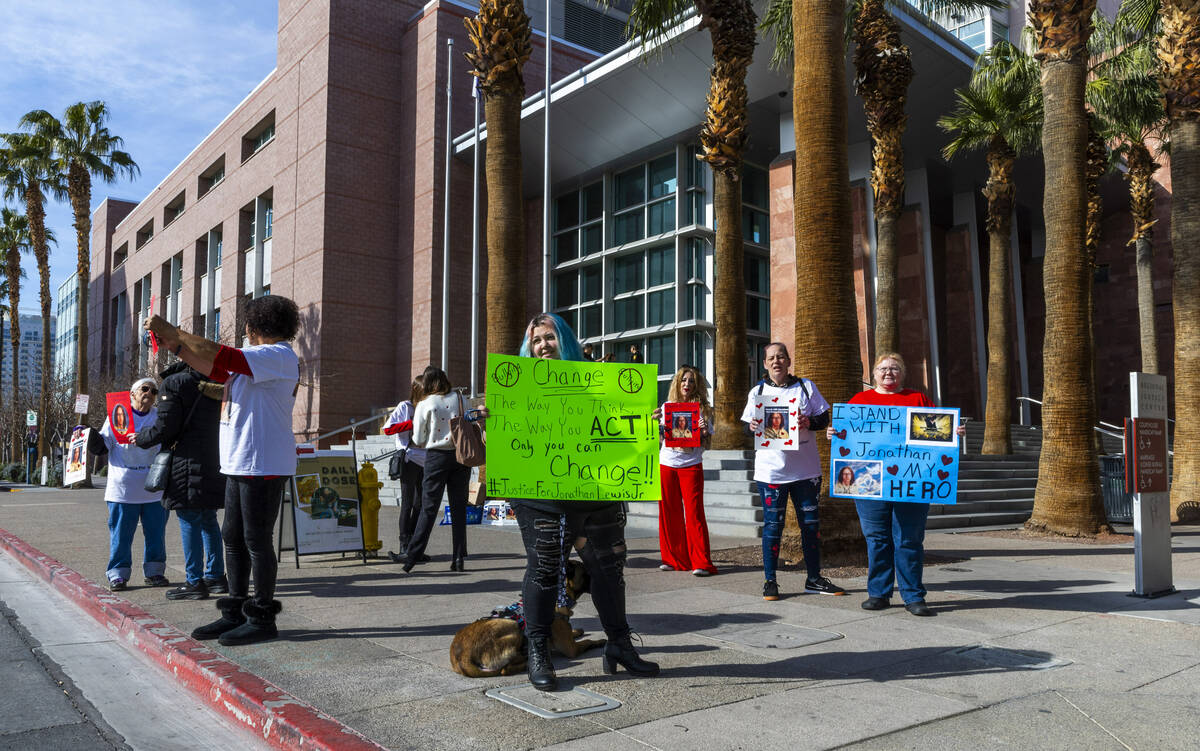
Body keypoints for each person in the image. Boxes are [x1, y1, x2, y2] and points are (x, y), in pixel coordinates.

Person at [510, 312, 659, 691]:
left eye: (550, 337)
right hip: (541, 495)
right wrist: (494, 417)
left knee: (609, 570)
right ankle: (539, 651)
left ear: (566, 340)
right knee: (544, 570)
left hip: (595, 493)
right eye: (536, 340)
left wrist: (644, 420)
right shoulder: (516, 388)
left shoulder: (598, 382)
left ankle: (620, 646)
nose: (544, 345)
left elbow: (619, 433)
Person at [146, 294, 301, 646]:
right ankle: (234, 612)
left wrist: (178, 332)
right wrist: (178, 347)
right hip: (241, 461)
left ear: (255, 326)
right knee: (233, 539)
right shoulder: (255, 363)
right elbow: (214, 367)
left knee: (256, 542)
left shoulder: (278, 355)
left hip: (262, 463)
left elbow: (223, 356)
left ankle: (262, 619)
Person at [827, 352, 965, 617]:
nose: (888, 373)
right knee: (877, 539)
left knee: (909, 540)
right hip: (868, 480)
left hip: (911, 480)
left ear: (902, 373)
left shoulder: (918, 399)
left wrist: (953, 433)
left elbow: (935, 437)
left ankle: (913, 596)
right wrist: (834, 433)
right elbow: (849, 439)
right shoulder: (860, 401)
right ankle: (878, 593)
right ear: (874, 374)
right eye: (883, 368)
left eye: (894, 368)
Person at [741, 342, 844, 601]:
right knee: (773, 527)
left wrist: (809, 421)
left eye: (781, 357)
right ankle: (770, 581)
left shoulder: (806, 387)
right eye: (771, 358)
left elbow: (824, 418)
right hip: (771, 473)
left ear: (788, 361)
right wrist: (753, 425)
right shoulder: (758, 392)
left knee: (810, 526)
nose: (776, 361)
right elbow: (746, 428)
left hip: (806, 472)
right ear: (765, 364)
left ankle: (814, 579)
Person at [134, 361, 228, 600]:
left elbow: (166, 427)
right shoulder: (219, 381)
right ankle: (216, 576)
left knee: (189, 519)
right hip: (214, 461)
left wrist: (141, 438)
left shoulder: (174, 383)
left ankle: (194, 581)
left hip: (185, 463)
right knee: (208, 519)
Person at [86, 378, 168, 591]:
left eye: (153, 390)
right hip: (123, 491)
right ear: (132, 394)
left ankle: (155, 572)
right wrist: (88, 435)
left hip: (154, 489)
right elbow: (103, 446)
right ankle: (118, 575)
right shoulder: (117, 415)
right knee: (121, 537)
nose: (149, 393)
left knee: (156, 535)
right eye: (144, 388)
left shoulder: (160, 417)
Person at [401, 366, 471, 572]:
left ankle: (412, 557)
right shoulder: (460, 399)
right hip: (460, 456)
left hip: (436, 457)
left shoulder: (426, 403)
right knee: (458, 509)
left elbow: (419, 438)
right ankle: (458, 558)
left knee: (428, 508)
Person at [658, 366, 717, 577]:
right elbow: (661, 438)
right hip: (666, 462)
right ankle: (673, 559)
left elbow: (706, 439)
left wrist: (702, 428)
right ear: (677, 383)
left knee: (694, 514)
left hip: (691, 463)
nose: (687, 384)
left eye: (691, 381)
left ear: (696, 385)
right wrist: (656, 425)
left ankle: (701, 562)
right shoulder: (666, 407)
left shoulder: (703, 410)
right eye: (683, 380)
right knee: (668, 513)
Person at [384, 376, 429, 564]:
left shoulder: (428, 408)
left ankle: (414, 546)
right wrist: (412, 424)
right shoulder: (405, 407)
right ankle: (404, 545)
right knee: (408, 503)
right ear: (417, 390)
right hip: (410, 458)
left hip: (426, 460)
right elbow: (387, 429)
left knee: (421, 505)